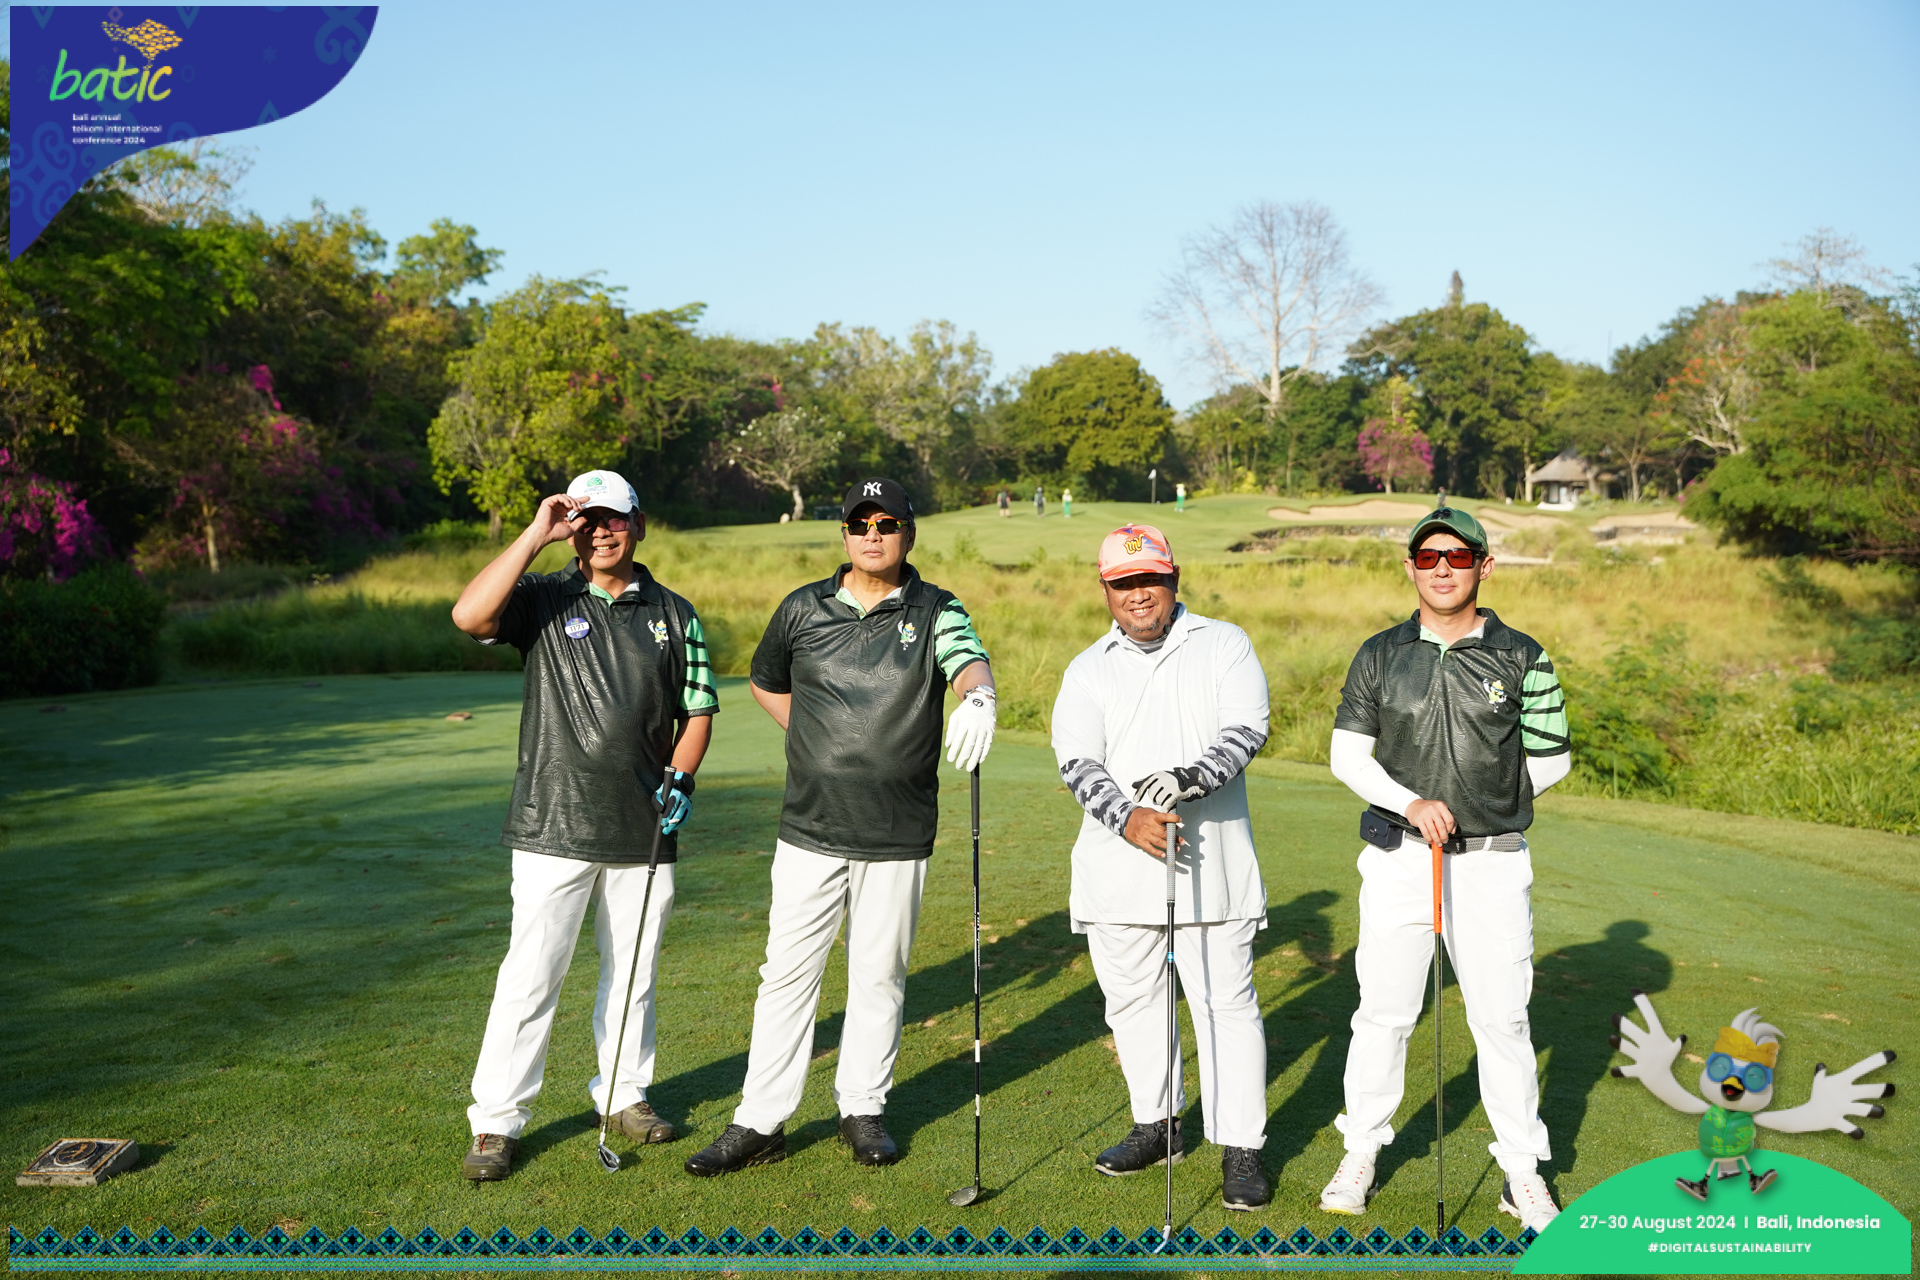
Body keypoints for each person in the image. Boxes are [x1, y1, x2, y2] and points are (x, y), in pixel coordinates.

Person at [684, 477, 998, 1176]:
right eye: (861, 524)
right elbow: (766, 680)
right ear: (846, 534)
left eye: (887, 524)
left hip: (897, 828)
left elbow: (967, 661)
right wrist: (812, 738)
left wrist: (980, 697)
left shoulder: (936, 608)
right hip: (811, 825)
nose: (873, 535)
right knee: (786, 976)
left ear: (909, 533)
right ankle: (760, 1120)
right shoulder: (804, 607)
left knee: (879, 975)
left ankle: (863, 1108)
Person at [452, 469, 718, 1182]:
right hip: (553, 822)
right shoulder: (542, 597)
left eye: (615, 518)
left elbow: (697, 710)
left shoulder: (675, 613)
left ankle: (625, 1094)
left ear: (639, 524)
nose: (601, 532)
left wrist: (681, 777)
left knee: (634, 973)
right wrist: (536, 533)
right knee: (531, 976)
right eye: (586, 520)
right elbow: (469, 616)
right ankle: (496, 1121)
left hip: (644, 825)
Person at [1316, 505, 1571, 1234]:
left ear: (1484, 566)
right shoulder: (1379, 654)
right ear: (1411, 567)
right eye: (1428, 557)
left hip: (1491, 864)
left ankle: (1522, 1173)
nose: (1442, 569)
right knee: (1384, 1012)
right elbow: (1347, 757)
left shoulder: (1523, 655)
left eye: (1458, 557)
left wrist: (1482, 805)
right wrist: (1413, 803)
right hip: (1400, 857)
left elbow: (1553, 758)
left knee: (1502, 1019)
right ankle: (1361, 1152)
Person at [1051, 523, 1275, 1212]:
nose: (1138, 593)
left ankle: (1241, 1147)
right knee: (1133, 1004)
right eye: (1123, 583)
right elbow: (1077, 763)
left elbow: (1246, 730)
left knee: (1224, 1005)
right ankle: (1159, 1124)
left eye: (1149, 578)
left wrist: (1188, 778)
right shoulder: (1088, 668)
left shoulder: (1224, 643)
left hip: (1213, 869)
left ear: (1173, 579)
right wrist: (1127, 817)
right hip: (1117, 868)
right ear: (1106, 591)